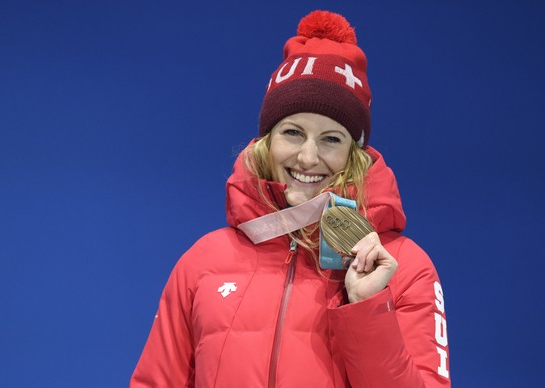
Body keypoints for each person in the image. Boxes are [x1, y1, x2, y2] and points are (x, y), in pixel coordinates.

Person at [131, 10, 450, 388]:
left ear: (356, 153)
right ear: (267, 141)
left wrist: (366, 306)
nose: (308, 158)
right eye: (293, 132)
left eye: (332, 138)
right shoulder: (203, 261)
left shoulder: (405, 268)